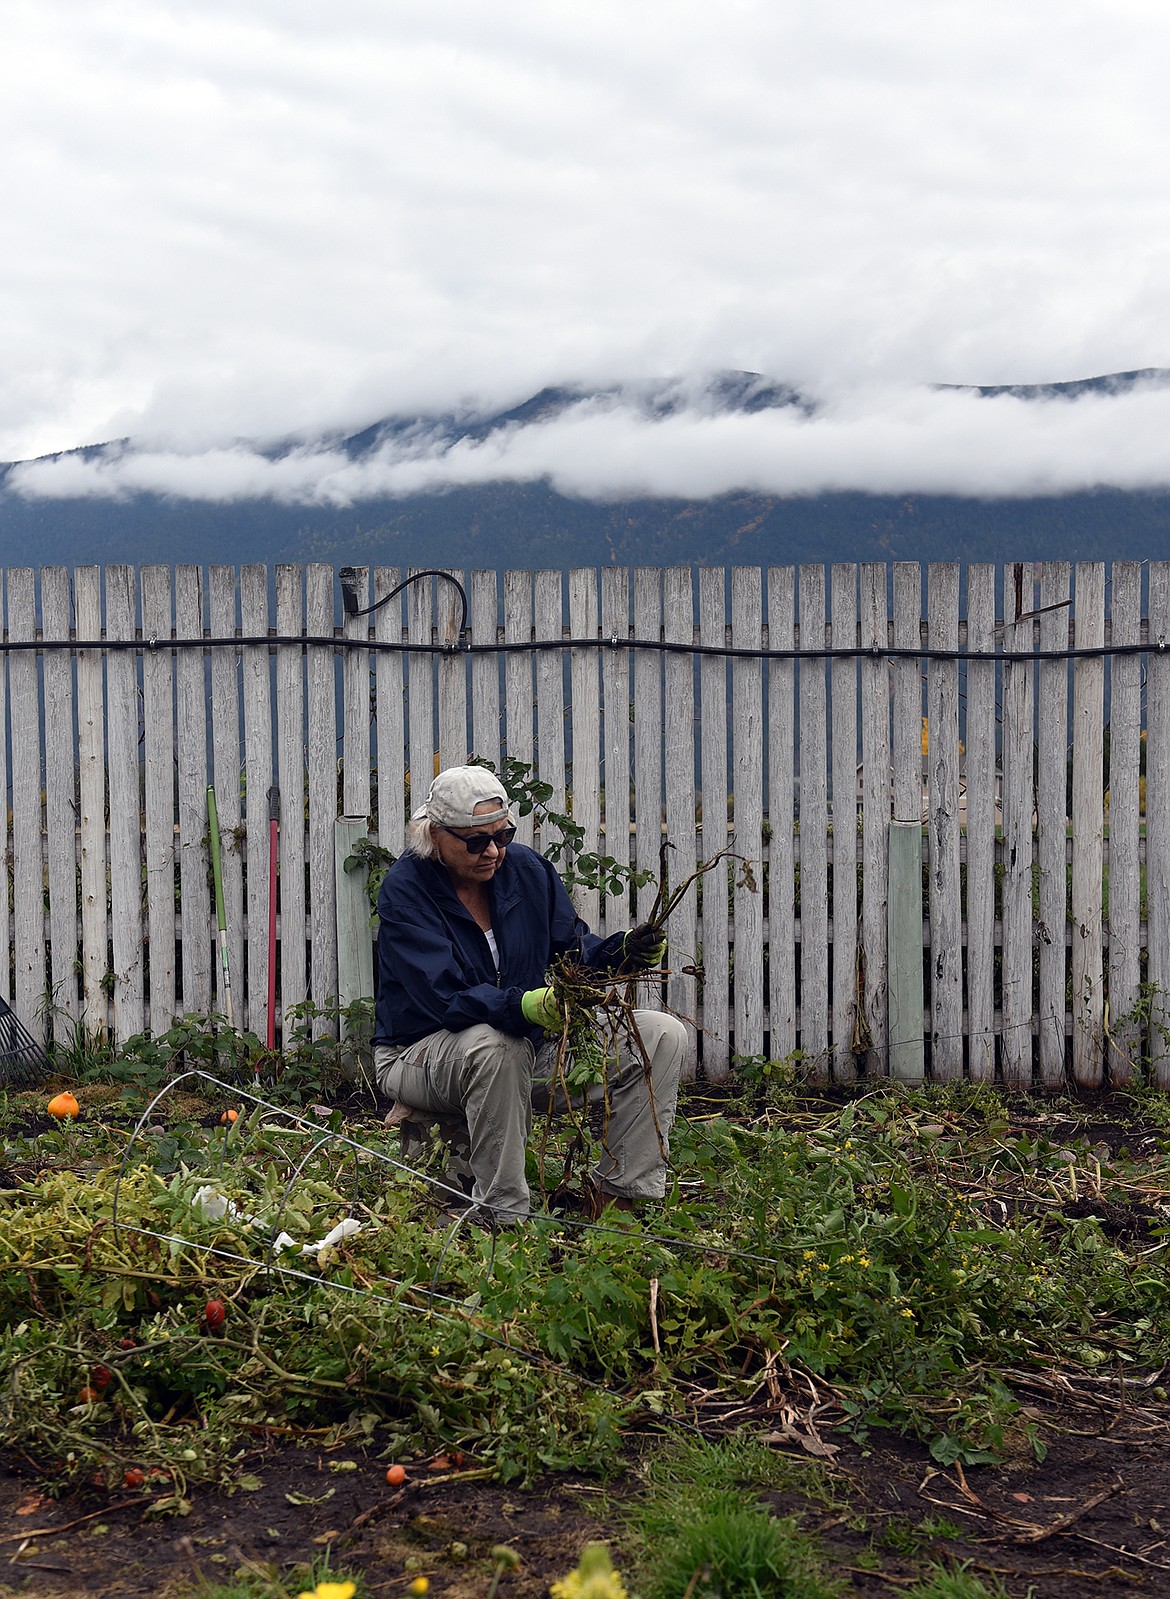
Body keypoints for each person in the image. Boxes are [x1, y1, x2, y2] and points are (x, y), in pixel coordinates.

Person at [373, 765, 687, 1224]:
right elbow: (443, 999)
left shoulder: (525, 871)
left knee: (662, 1035)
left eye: (503, 835)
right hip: (419, 1054)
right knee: (499, 1044)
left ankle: (618, 1199)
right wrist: (522, 1005)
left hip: (523, 1048)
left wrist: (620, 951)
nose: (494, 851)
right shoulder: (406, 891)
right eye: (476, 841)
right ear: (435, 835)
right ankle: (502, 1214)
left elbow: (571, 951)